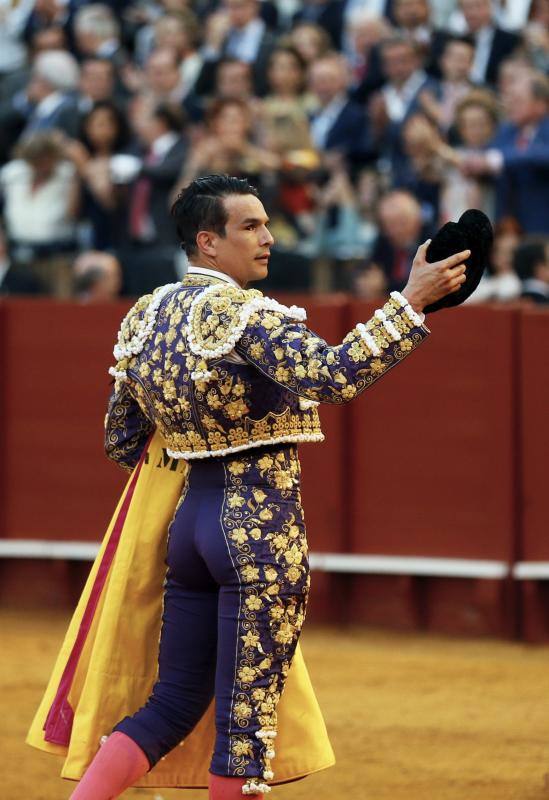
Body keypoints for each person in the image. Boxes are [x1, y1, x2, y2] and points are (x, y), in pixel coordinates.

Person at [63, 173, 469, 800]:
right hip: (258, 532)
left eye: (266, 224)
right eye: (249, 226)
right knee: (245, 730)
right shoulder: (248, 315)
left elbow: (123, 441)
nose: (268, 238)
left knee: (170, 705)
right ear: (208, 242)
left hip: (189, 529)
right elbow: (334, 376)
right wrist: (409, 301)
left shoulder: (146, 315)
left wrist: (195, 430)